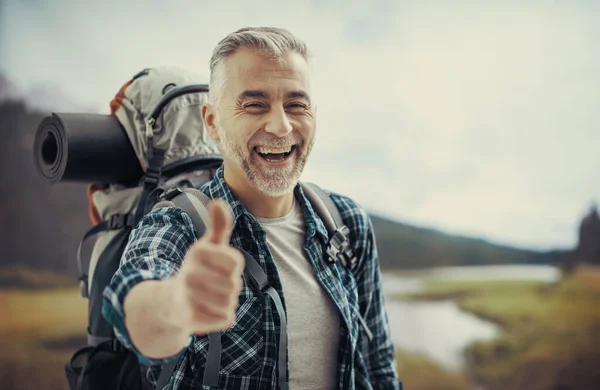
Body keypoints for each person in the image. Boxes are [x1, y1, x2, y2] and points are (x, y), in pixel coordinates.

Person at [102, 27, 401, 390]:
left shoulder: (346, 221)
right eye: (254, 104)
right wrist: (176, 303)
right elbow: (136, 301)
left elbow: (379, 365)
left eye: (296, 105)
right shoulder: (178, 224)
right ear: (212, 121)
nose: (280, 125)